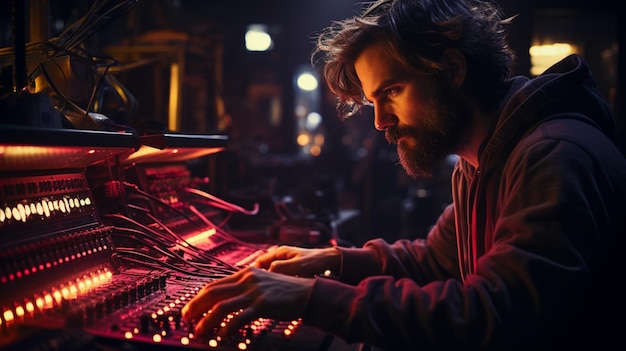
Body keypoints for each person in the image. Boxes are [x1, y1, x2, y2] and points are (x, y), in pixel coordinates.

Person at [181, 0, 626, 349]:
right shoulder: (484, 157)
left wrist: (309, 297)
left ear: (451, 70)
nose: (379, 122)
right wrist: (333, 261)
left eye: (391, 91)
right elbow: (433, 261)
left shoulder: (552, 153)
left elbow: (497, 318)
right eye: (375, 100)